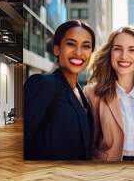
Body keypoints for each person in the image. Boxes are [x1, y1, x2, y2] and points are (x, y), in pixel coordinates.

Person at [85, 26, 134, 161]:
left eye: (132, 50)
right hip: (109, 168)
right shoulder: (93, 93)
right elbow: (90, 140)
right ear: (110, 53)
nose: (123, 56)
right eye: (117, 49)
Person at [24, 20, 95, 160]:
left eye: (86, 46)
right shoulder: (42, 84)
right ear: (57, 49)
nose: (78, 52)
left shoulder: (83, 96)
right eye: (71, 44)